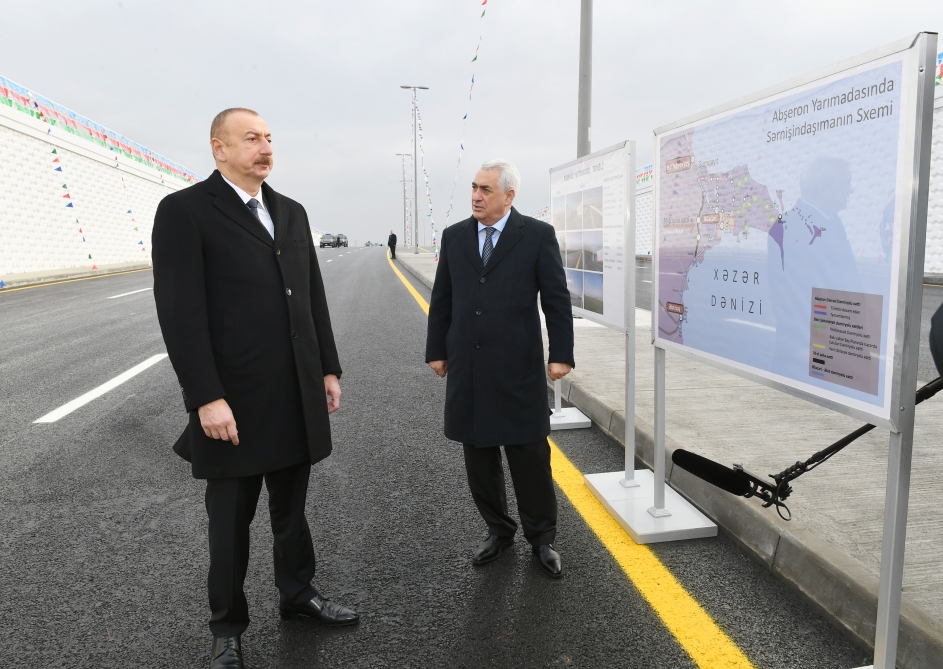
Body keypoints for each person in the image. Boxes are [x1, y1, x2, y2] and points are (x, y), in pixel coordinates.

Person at [152, 108, 359, 669]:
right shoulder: (185, 212)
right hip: (233, 401)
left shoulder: (290, 213)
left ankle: (298, 594)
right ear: (219, 148)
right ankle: (227, 627)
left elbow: (311, 296)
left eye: (268, 138)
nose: (265, 147)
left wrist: (328, 370)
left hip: (294, 391)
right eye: (251, 139)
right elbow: (180, 314)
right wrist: (204, 397)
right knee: (230, 522)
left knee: (292, 511)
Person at [425, 159, 574, 578]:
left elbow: (556, 299)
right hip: (469, 367)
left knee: (529, 456)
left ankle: (541, 539)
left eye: (486, 189)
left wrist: (560, 353)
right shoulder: (454, 237)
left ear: (509, 196)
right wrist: (437, 348)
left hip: (518, 368)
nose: (476, 195)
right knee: (479, 456)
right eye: (474, 187)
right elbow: (444, 298)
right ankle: (498, 529)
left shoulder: (537, 235)